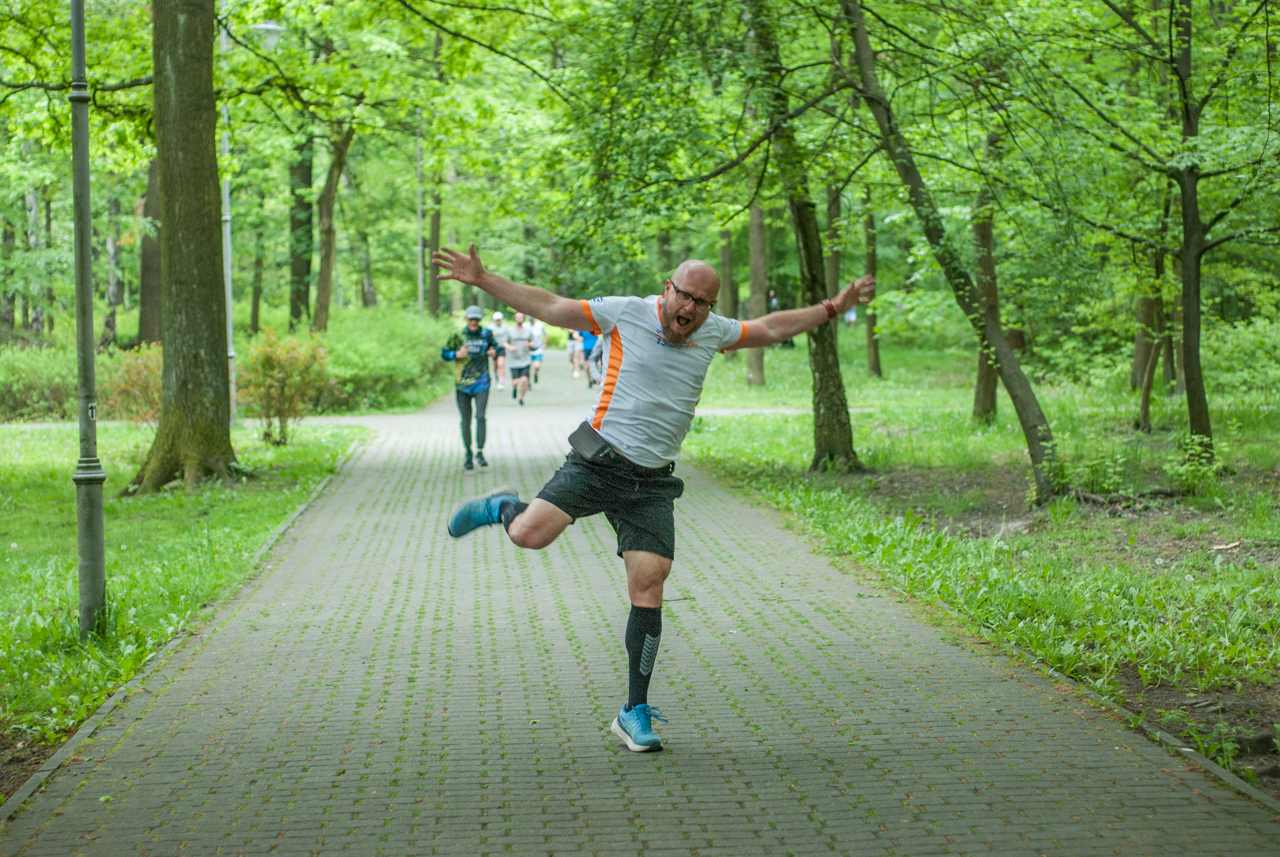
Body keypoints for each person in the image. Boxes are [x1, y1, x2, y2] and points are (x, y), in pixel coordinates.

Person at [433, 244, 875, 753]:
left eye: (702, 303)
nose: (689, 310)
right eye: (683, 296)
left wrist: (833, 307)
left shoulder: (715, 332)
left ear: (710, 308)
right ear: (668, 288)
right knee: (528, 535)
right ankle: (500, 508)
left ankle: (632, 710)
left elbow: (771, 327)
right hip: (597, 461)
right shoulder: (625, 313)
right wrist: (484, 278)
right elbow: (552, 306)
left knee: (650, 583)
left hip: (651, 483)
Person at [441, 305, 500, 470]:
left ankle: (480, 452)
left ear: (479, 319)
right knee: (465, 420)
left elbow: (496, 348)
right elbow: (444, 353)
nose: (474, 321)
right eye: (471, 318)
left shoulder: (486, 334)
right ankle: (468, 453)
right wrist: (455, 355)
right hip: (462, 384)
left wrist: (493, 352)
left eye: (476, 319)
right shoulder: (457, 334)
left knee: (480, 416)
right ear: (466, 319)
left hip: (482, 382)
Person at [505, 312, 537, 406]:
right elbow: (504, 342)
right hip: (513, 360)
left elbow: (533, 343)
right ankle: (514, 389)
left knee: (524, 380)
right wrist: (509, 347)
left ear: (523, 319)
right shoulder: (510, 330)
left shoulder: (528, 331)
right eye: (517, 317)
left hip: (525, 359)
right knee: (515, 382)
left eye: (521, 317)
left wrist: (530, 344)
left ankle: (521, 398)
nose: (519, 319)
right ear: (515, 319)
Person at [490, 311, 508, 389]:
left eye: (499, 320)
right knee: (495, 365)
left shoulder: (504, 327)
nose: (498, 321)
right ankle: (496, 375)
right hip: (494, 348)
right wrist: (492, 335)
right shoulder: (490, 327)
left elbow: (506, 338)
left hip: (501, 347)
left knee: (501, 365)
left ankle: (501, 382)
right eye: (496, 320)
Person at [529, 316, 546, 383]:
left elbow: (545, 334)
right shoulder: (525, 326)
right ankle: (528, 382)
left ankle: (535, 373)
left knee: (537, 366)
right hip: (528, 349)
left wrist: (544, 344)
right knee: (528, 368)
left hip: (538, 348)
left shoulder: (540, 325)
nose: (531, 320)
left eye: (532, 319)